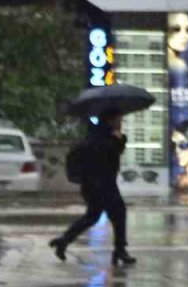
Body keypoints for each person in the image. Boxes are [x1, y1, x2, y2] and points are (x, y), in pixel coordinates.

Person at [49, 111, 136, 266]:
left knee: (93, 216)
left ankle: (64, 240)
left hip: (93, 184)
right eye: (118, 118)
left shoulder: (97, 134)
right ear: (110, 119)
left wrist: (119, 140)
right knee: (118, 213)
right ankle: (120, 250)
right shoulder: (105, 138)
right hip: (102, 184)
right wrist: (118, 140)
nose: (120, 121)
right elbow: (108, 155)